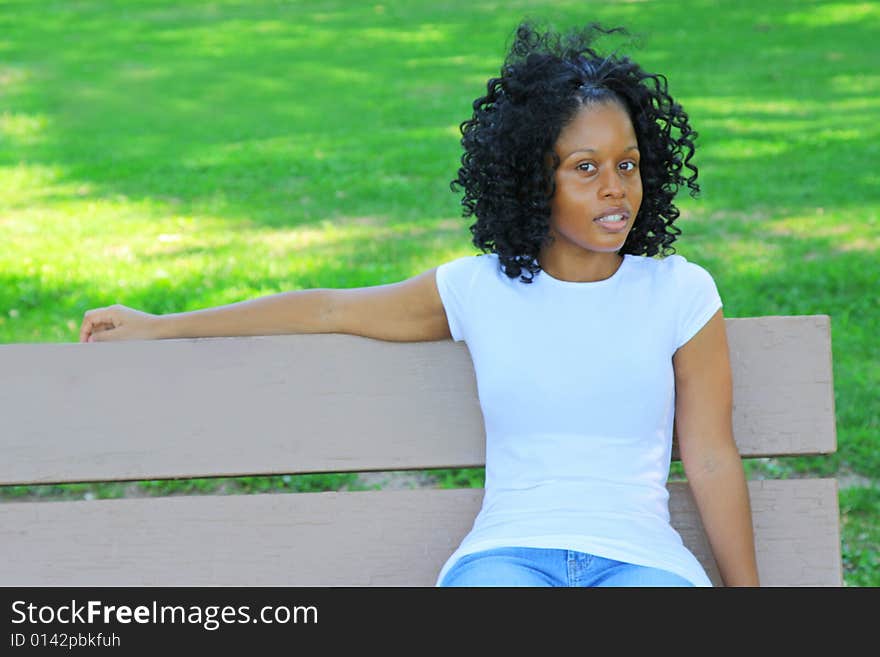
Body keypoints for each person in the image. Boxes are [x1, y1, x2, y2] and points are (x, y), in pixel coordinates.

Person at [79, 20, 760, 587]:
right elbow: (327, 310)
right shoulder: (479, 289)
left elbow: (708, 456)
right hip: (508, 558)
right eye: (585, 167)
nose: (616, 187)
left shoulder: (680, 292)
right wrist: (164, 326)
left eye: (628, 163)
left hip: (642, 562)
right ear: (531, 180)